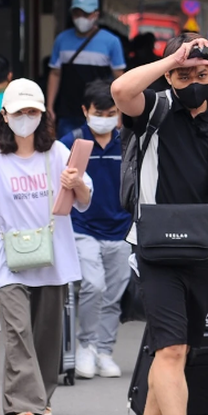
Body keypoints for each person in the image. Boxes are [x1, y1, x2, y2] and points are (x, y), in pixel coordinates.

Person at [111, 33, 208, 415]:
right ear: (168, 74)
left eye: (202, 72)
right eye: (183, 73)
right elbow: (120, 91)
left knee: (179, 349)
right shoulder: (153, 110)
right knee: (169, 348)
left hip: (201, 246)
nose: (193, 80)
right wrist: (174, 58)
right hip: (153, 246)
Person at [0, 79, 92, 415]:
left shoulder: (57, 152)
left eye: (32, 111)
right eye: (19, 112)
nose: (26, 118)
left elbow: (85, 198)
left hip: (53, 255)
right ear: (4, 116)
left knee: (47, 334)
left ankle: (41, 396)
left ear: (43, 114)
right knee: (17, 330)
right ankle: (23, 406)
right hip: (10, 255)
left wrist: (76, 182)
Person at [59, 80, 133, 380]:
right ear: (85, 111)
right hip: (83, 227)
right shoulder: (71, 143)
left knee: (114, 294)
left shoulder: (129, 142)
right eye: (99, 112)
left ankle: (104, 351)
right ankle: (86, 346)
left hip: (120, 229)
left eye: (112, 112)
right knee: (94, 285)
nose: (106, 117)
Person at [46, 0, 126, 139]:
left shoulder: (111, 41)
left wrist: (119, 113)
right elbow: (55, 74)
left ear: (96, 14)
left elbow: (119, 79)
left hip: (100, 111)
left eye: (86, 13)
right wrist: (50, 107)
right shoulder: (61, 40)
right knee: (67, 156)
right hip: (68, 112)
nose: (81, 18)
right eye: (77, 13)